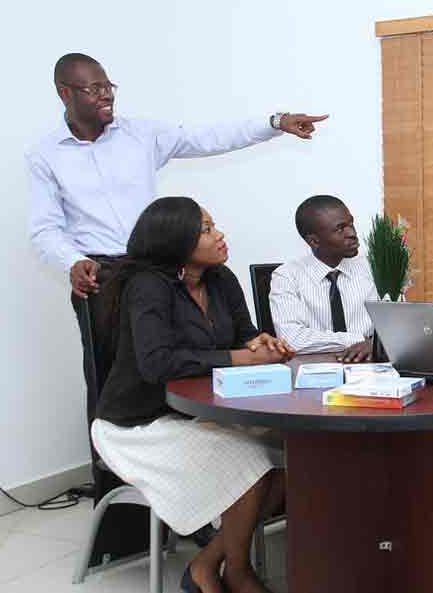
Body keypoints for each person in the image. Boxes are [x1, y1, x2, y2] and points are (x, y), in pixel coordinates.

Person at [27, 52, 327, 434]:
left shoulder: (142, 134)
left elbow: (207, 138)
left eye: (108, 86)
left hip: (155, 268)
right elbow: (45, 228)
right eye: (94, 89)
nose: (106, 96)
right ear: (65, 93)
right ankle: (113, 469)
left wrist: (274, 123)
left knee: (179, 358)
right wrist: (72, 260)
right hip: (100, 274)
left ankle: (188, 440)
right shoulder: (45, 154)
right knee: (111, 376)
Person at [92, 196, 293, 593]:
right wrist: (240, 357)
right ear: (175, 240)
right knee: (251, 465)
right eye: (206, 229)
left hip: (193, 414)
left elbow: (243, 334)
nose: (219, 235)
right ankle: (237, 571)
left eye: (214, 225)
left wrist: (260, 344)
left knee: (291, 459)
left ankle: (206, 563)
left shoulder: (221, 278)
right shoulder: (148, 286)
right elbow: (158, 364)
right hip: (138, 423)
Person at [269, 195, 378, 362]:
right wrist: (361, 340)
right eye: (340, 229)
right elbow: (292, 339)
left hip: (371, 368)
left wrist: (376, 345)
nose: (352, 233)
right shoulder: (286, 276)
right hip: (312, 371)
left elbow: (399, 327)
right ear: (314, 241)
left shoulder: (375, 267)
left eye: (351, 224)